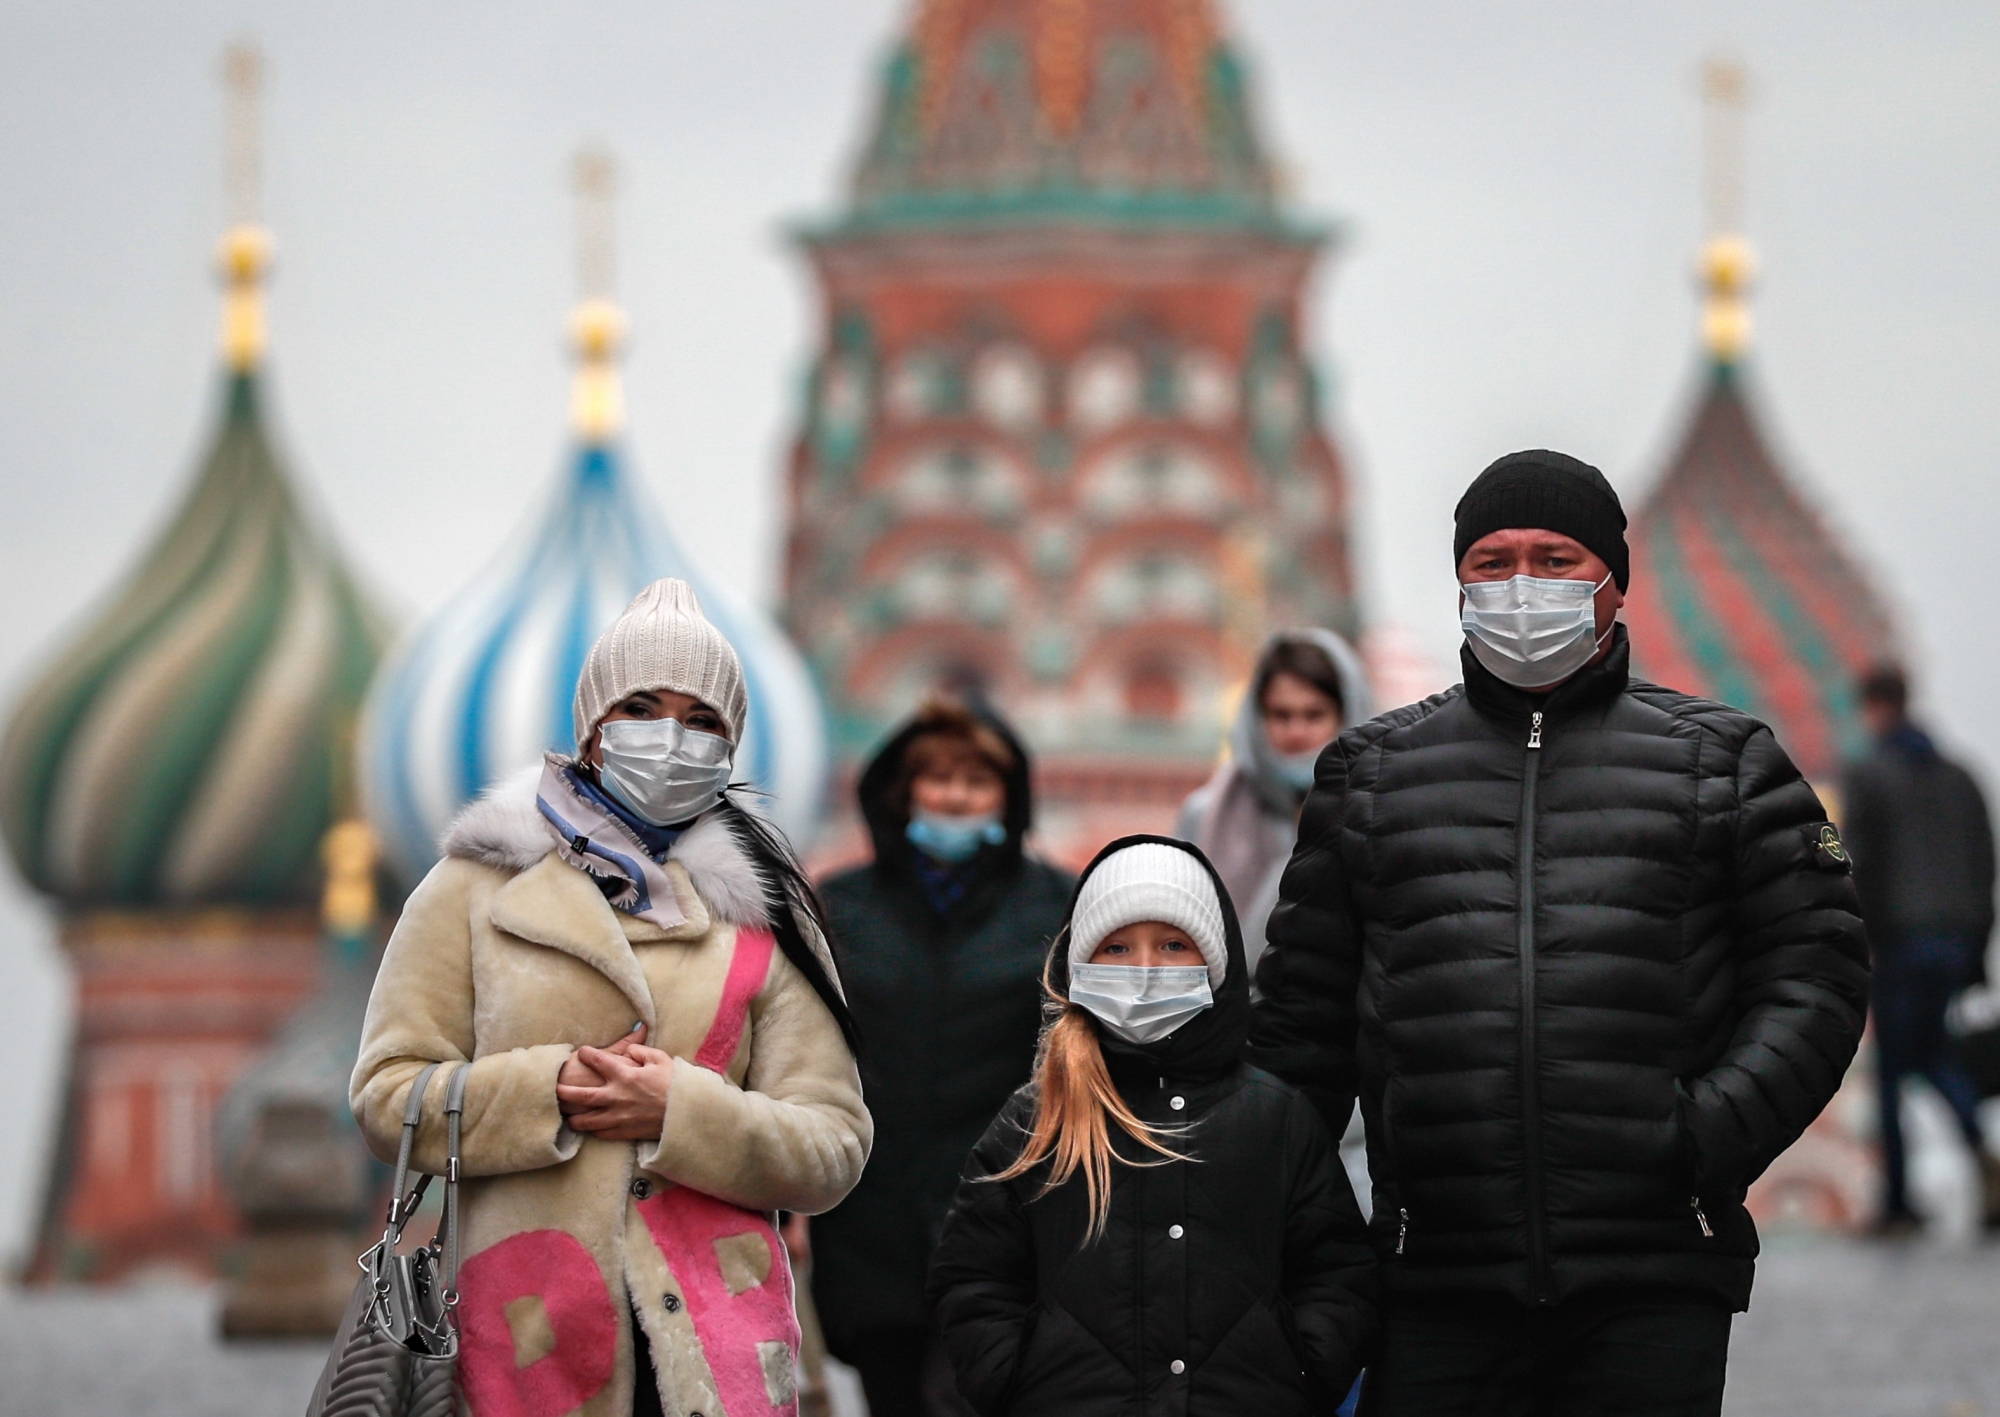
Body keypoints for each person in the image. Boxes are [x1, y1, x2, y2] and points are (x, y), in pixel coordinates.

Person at [1252, 450, 1870, 1417]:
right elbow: (1302, 1022)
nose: (1522, 586)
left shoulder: (1724, 764)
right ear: (1458, 583)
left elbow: (1817, 979)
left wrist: (1698, 1137)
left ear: (1615, 583)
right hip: (1436, 1278)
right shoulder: (1373, 777)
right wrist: (1283, 1219)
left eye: (1555, 558)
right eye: (1492, 562)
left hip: (1652, 1276)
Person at [351, 578, 871, 1417]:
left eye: (703, 721)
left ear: (731, 745)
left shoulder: (767, 915)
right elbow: (385, 1095)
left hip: (716, 1351)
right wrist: (547, 1089)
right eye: (643, 707)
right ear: (594, 728)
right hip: (523, 1337)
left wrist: (679, 1109)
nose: (672, 738)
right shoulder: (473, 889)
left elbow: (835, 1145)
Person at [928, 835, 1378, 1416]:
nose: (1144, 969)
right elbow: (974, 1275)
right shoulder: (1037, 1118)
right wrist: (1014, 1379)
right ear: (1080, 965)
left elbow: (1335, 1269)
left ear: (1214, 965)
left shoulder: (1273, 1117)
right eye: (1116, 948)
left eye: (1172, 944)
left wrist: (1302, 1370)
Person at [806, 699, 1073, 1417]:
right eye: (937, 777)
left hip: (1005, 1213)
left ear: (1009, 798)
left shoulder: (1056, 905)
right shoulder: (842, 905)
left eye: (977, 780)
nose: (955, 794)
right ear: (903, 789)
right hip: (871, 1219)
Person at [1842, 664, 2000, 1234]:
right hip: (1955, 942)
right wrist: (1977, 951)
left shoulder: (1868, 774)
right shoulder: (1962, 776)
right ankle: (1981, 1154)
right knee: (1930, 1054)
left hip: (1900, 943)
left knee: (1893, 1069)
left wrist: (1859, 940)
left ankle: (1899, 1201)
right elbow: (1985, 865)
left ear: (1874, 706)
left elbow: (1859, 863)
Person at [1177, 628, 1374, 980]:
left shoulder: (1379, 810)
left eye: (1314, 715)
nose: (1297, 733)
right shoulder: (1207, 814)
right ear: (1257, 718)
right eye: (1281, 715)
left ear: (1347, 718)